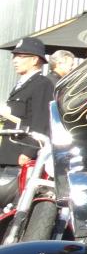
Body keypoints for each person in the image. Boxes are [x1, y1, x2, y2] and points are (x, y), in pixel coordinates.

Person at [0, 37, 54, 168]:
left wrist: (29, 152)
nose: (15, 60)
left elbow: (42, 121)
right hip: (8, 152)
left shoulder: (42, 84)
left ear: (35, 59)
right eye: (15, 56)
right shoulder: (22, 84)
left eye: (21, 56)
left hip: (21, 154)